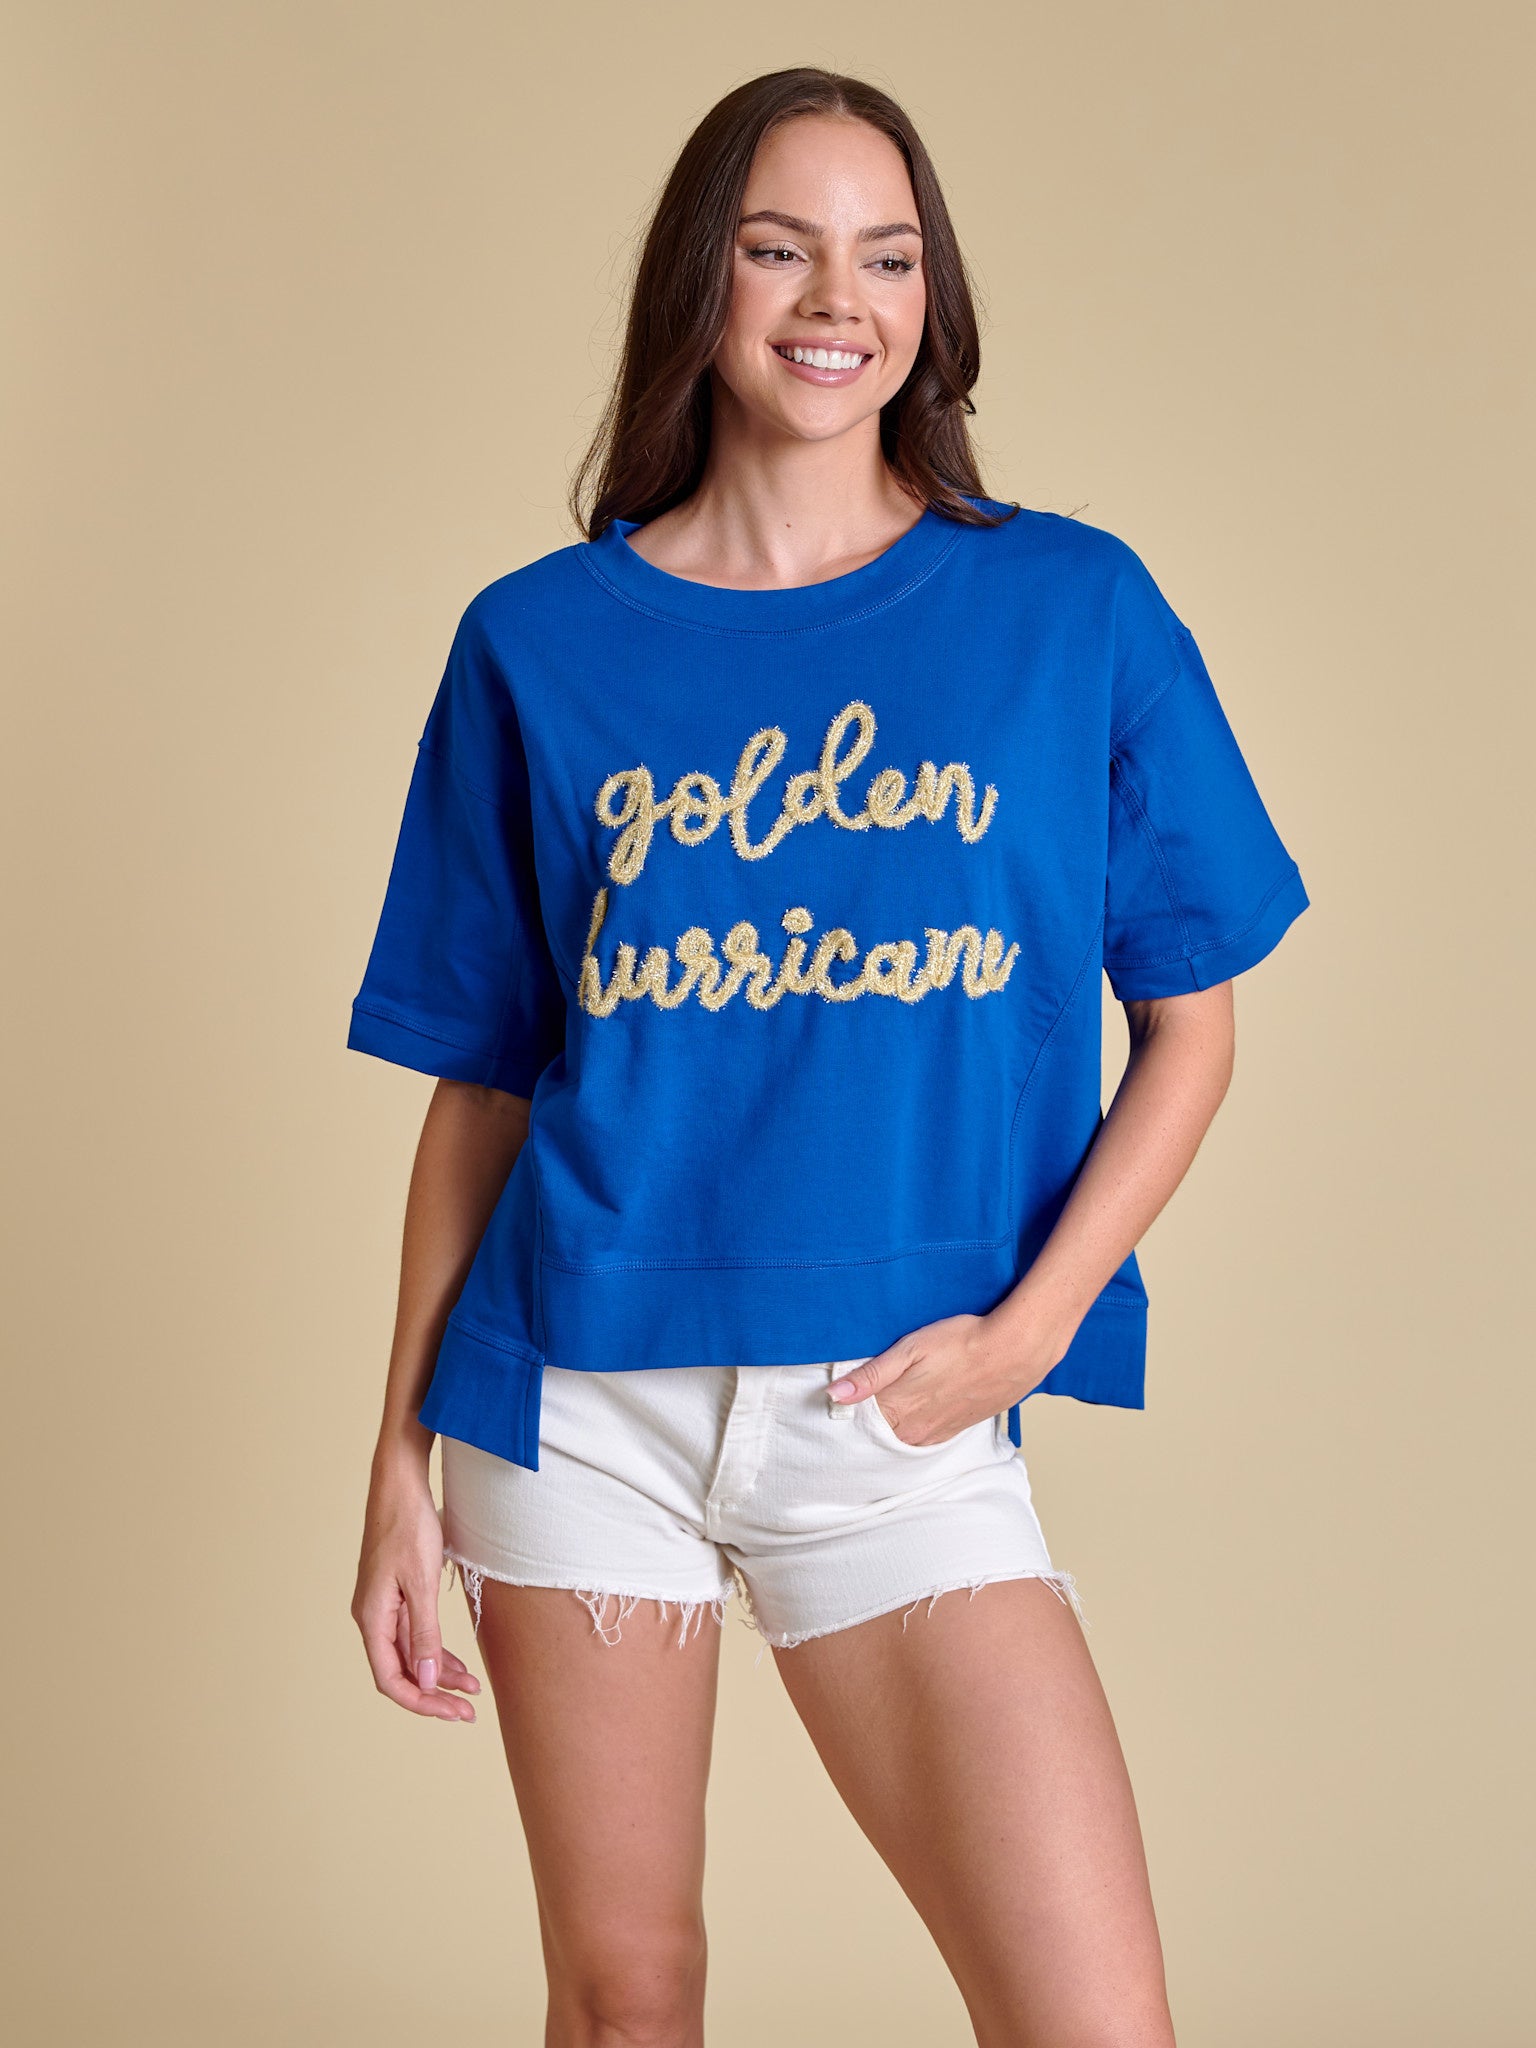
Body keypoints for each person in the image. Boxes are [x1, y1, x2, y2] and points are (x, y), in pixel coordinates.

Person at [346, 66, 1308, 2048]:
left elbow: (1193, 1025)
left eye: (885, 256)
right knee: (627, 2002)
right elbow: (488, 1081)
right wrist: (394, 1460)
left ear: (931, 302)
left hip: (901, 1416)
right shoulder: (538, 642)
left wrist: (1030, 1333)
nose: (832, 301)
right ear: (702, 281)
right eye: (779, 249)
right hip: (576, 1403)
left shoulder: (1071, 610)